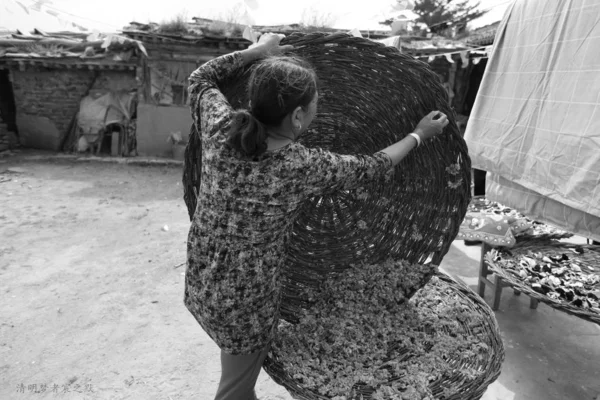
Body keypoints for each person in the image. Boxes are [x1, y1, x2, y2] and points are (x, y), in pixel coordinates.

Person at [184, 34, 449, 400]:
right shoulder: (299, 166)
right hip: (246, 306)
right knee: (234, 390)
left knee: (235, 374)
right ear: (296, 116)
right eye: (313, 107)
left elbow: (200, 78)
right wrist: (419, 135)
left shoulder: (220, 127)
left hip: (204, 281)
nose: (314, 112)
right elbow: (374, 166)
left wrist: (256, 52)